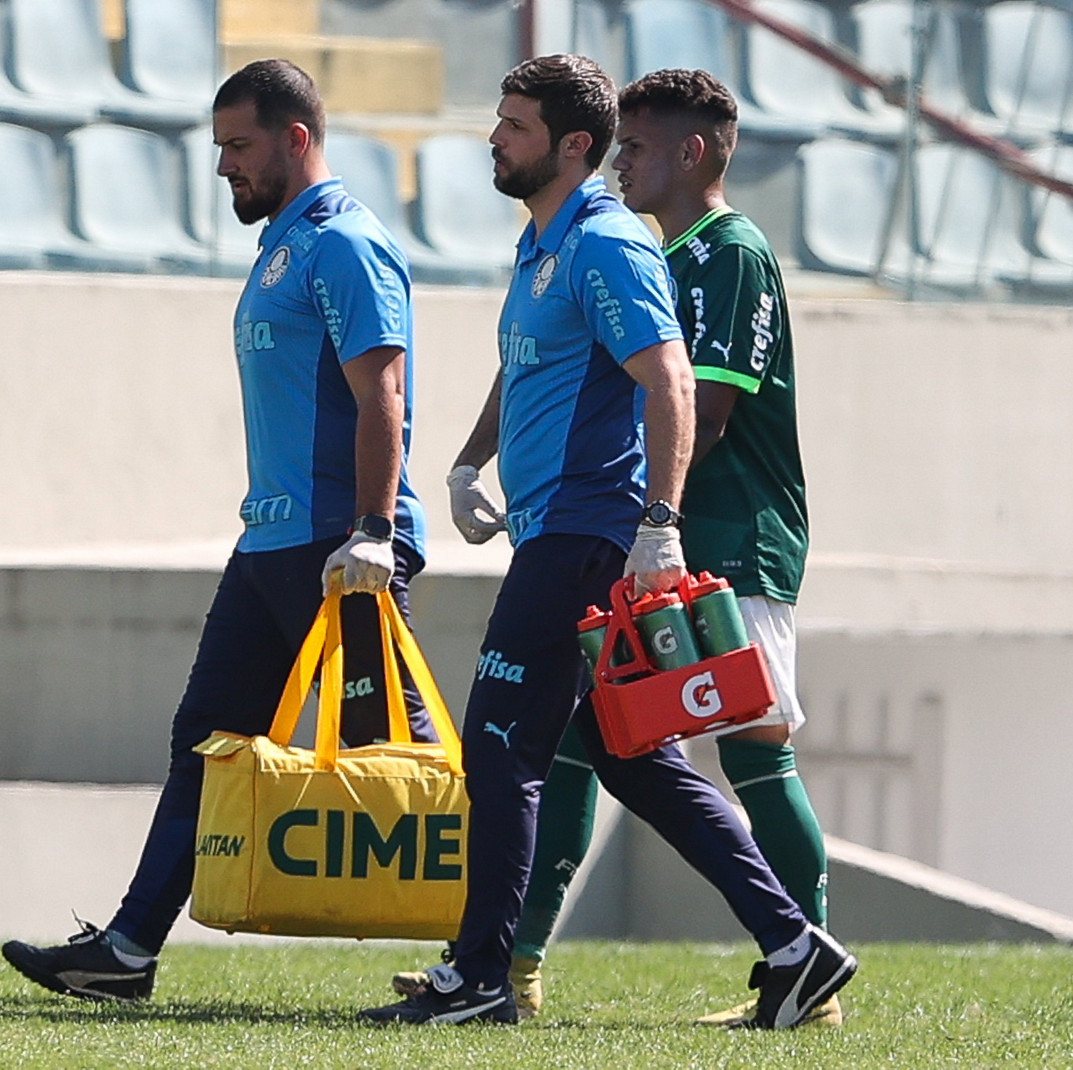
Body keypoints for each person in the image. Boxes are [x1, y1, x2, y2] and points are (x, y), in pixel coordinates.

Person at [360, 54, 855, 1029]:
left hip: (586, 534)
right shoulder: (543, 244)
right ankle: (797, 947)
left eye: (514, 125)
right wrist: (470, 463)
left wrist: (658, 525)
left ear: (568, 144)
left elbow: (674, 383)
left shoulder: (607, 244)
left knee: (499, 743)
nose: (493, 138)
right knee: (631, 756)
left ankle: (483, 973)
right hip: (556, 528)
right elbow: (526, 366)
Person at [0, 58, 436, 1002]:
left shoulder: (345, 243)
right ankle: (127, 952)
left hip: (337, 547)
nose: (224, 165)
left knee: (397, 753)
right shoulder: (285, 243)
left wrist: (371, 531)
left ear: (297, 139)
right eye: (219, 147)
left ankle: (486, 961)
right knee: (206, 740)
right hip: (271, 543)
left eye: (239, 145)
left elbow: (384, 392)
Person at [493, 67, 839, 1028]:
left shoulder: (730, 253)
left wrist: (653, 519)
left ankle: (807, 973)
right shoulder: (644, 250)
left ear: (691, 153)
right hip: (648, 536)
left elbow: (707, 409)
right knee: (578, 736)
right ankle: (513, 963)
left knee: (756, 749)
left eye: (638, 147)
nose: (621, 162)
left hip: (729, 537)